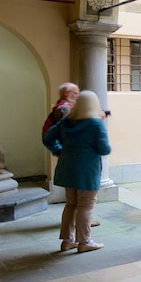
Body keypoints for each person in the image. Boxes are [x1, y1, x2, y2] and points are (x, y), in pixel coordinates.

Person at [42, 91, 110, 253]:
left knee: (71, 204)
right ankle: (85, 241)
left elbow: (48, 138)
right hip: (87, 171)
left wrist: (59, 150)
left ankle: (67, 241)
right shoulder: (95, 124)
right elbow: (104, 148)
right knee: (85, 206)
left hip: (68, 168)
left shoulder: (67, 121)